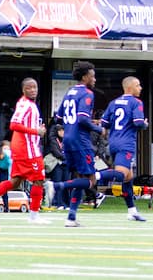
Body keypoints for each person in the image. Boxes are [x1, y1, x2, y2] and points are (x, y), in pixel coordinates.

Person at [0, 78, 50, 223]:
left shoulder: (29, 104)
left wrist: (38, 130)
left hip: (24, 148)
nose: (33, 90)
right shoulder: (25, 104)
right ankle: (34, 216)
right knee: (39, 180)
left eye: (35, 87)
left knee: (15, 182)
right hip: (27, 150)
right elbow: (14, 124)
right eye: (29, 88)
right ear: (23, 90)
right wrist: (35, 131)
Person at [51, 60, 104, 227]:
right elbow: (82, 118)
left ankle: (71, 217)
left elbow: (57, 118)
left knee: (80, 178)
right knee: (91, 180)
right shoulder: (87, 94)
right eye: (92, 76)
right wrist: (98, 128)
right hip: (80, 140)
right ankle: (56, 186)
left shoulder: (69, 92)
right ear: (85, 76)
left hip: (67, 139)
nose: (94, 79)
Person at [99, 76, 149, 221]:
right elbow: (138, 122)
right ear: (129, 87)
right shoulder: (136, 102)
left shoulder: (113, 103)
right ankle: (95, 176)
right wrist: (145, 124)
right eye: (138, 85)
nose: (140, 88)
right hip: (126, 143)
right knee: (121, 174)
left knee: (128, 178)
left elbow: (104, 123)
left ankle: (132, 211)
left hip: (113, 142)